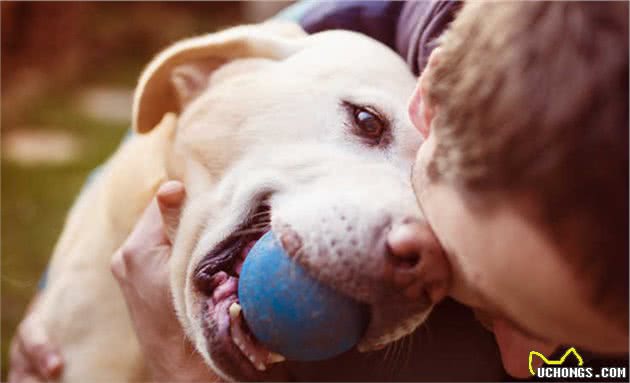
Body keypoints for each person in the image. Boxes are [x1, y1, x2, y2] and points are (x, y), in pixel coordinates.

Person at [9, 1, 628, 382]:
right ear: (430, 99)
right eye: (366, 124)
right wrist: (59, 295)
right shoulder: (327, 37)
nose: (536, 367)